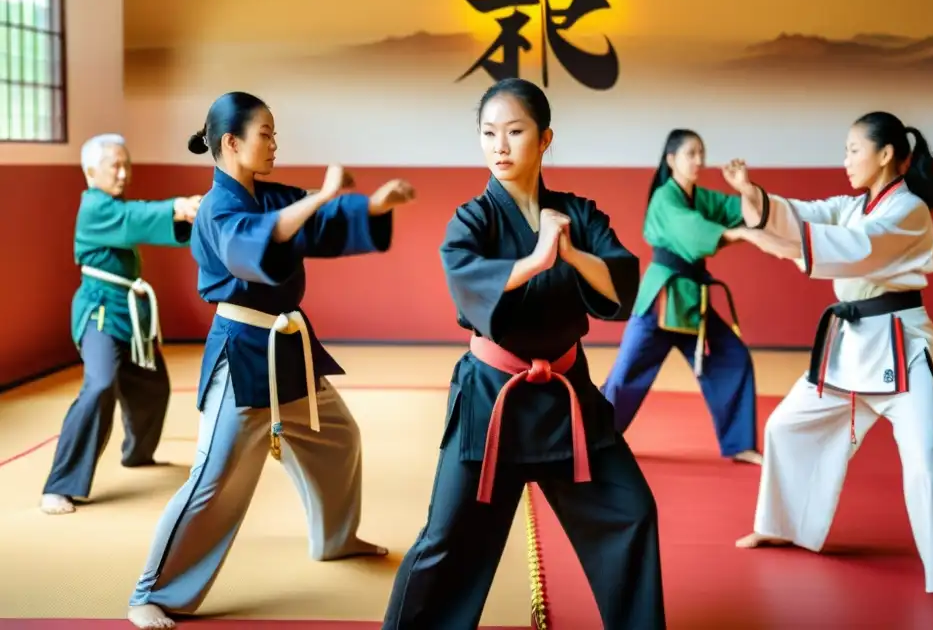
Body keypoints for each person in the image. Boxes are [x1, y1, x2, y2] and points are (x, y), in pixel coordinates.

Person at [382, 78, 665, 630]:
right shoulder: (472, 220)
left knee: (631, 511)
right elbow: (464, 280)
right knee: (447, 540)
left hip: (568, 403)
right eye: (489, 134)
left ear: (545, 138)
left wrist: (570, 253)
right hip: (493, 402)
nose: (500, 146)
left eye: (515, 132)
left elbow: (619, 286)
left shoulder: (577, 214)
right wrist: (535, 261)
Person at [126, 92, 416, 630]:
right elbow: (255, 245)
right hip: (242, 353)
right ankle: (152, 592)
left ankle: (335, 538)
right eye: (266, 134)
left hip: (289, 349)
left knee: (337, 437)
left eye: (274, 134)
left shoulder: (268, 195)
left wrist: (372, 206)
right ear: (232, 142)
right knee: (215, 479)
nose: (275, 144)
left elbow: (311, 221)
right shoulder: (217, 207)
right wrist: (321, 195)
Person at [727, 111, 933, 624]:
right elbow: (806, 215)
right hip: (850, 346)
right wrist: (755, 196)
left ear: (886, 153)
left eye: (853, 149)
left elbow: (856, 250)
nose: (845, 159)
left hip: (901, 347)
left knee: (924, 461)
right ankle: (783, 523)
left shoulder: (909, 210)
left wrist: (783, 244)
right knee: (785, 425)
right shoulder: (852, 206)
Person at [40, 133, 202, 516]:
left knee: (152, 387)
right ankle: (58, 486)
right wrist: (177, 206)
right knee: (99, 386)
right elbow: (137, 220)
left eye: (127, 164)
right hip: (100, 313)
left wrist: (197, 219)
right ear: (90, 171)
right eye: (115, 165)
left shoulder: (114, 207)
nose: (124, 172)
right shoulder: (95, 207)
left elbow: (140, 220)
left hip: (130, 317)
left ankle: (137, 454)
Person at [600, 129, 768, 464]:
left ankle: (740, 444)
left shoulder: (702, 197)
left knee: (732, 357)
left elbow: (745, 211)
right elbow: (694, 233)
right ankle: (592, 440)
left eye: (701, 153)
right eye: (690, 153)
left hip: (693, 302)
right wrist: (744, 236)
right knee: (625, 375)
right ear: (671, 159)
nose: (699, 161)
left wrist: (745, 188)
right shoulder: (665, 198)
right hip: (662, 297)